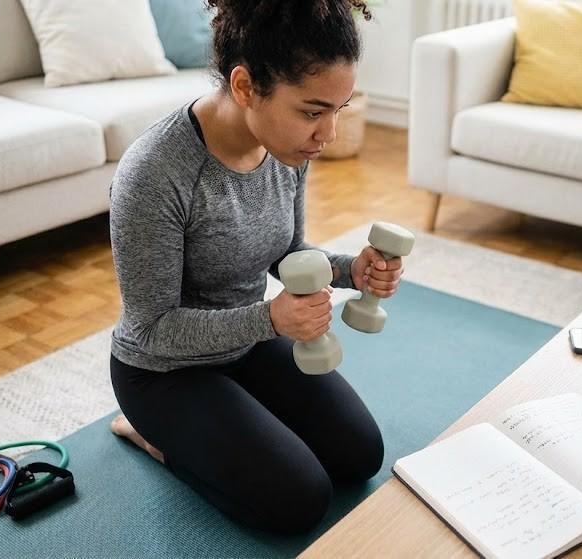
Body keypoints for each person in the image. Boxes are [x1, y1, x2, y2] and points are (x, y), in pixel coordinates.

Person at [106, 0, 396, 534]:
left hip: (248, 344)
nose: (327, 134)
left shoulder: (286, 150)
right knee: (298, 500)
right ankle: (153, 438)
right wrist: (271, 321)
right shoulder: (155, 174)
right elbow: (151, 329)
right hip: (163, 372)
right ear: (244, 88)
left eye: (339, 108)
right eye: (312, 111)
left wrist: (351, 270)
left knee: (360, 456)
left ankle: (234, 422)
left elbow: (290, 254)